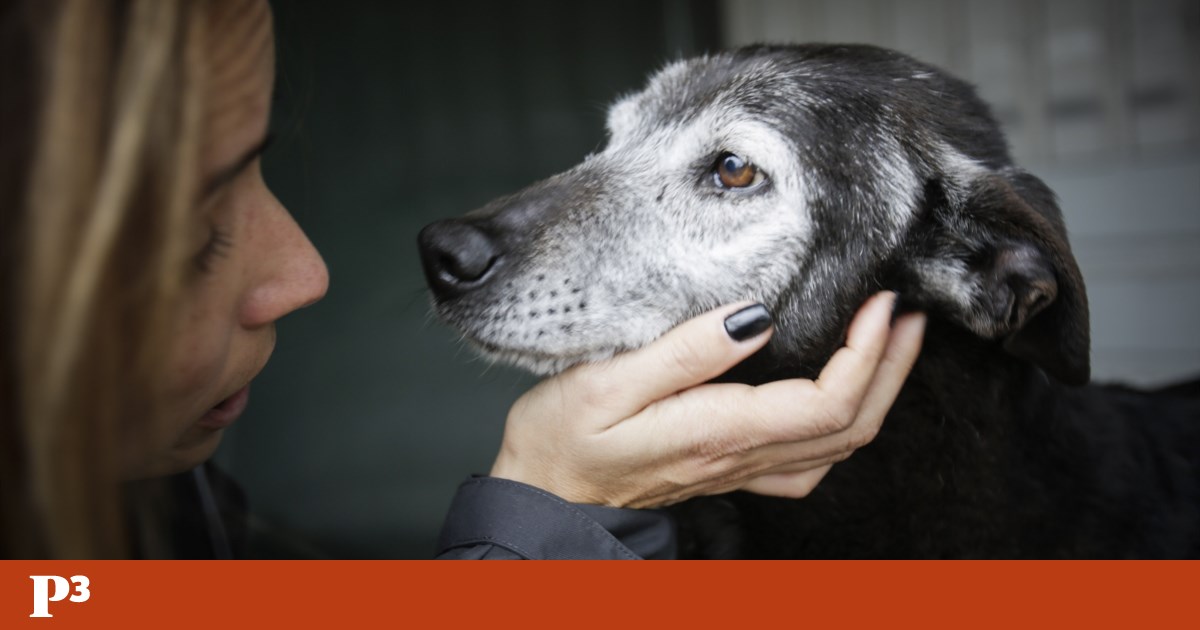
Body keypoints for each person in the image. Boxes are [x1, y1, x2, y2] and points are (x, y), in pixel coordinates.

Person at [0, 0, 926, 559]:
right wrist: (553, 511)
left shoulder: (162, 509)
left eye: (260, 170)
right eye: (197, 236)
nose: (307, 273)